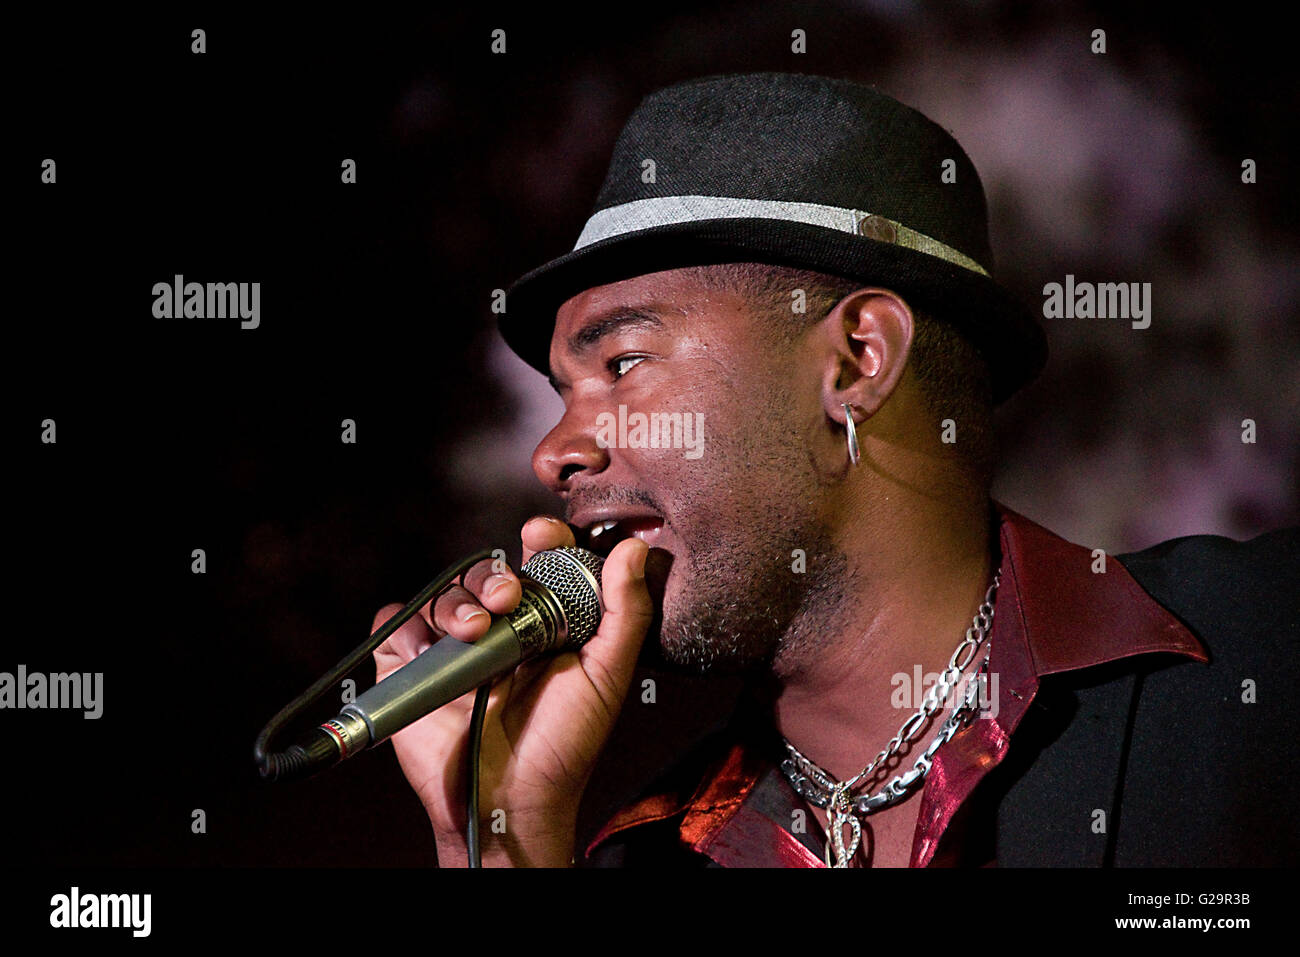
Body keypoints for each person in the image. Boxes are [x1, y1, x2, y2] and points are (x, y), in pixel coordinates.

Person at [370, 72, 1298, 867]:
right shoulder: (636, 854)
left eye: (622, 364)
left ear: (857, 359)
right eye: (560, 390)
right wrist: (500, 838)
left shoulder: (1267, 650)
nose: (552, 452)